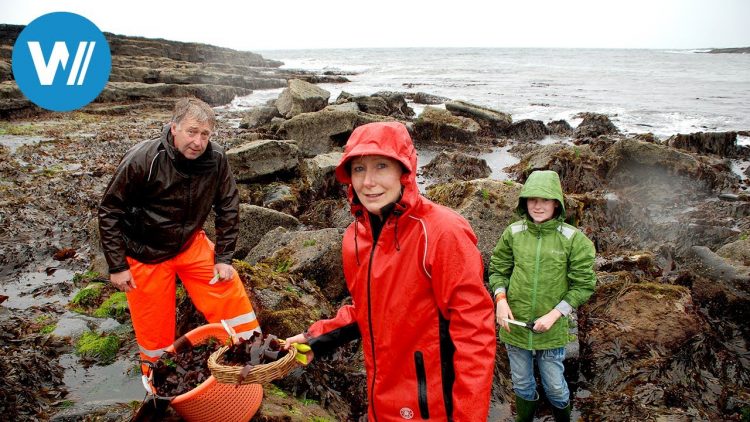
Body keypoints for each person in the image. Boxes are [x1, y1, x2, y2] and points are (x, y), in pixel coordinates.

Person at [284, 121, 496, 421]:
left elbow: (475, 333)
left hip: (432, 409)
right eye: (358, 169)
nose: (368, 182)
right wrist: (314, 338)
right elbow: (366, 310)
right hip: (380, 401)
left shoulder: (442, 231)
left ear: (404, 171)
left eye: (381, 166)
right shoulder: (354, 239)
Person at [98, 97, 260, 374]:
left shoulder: (216, 159)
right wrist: (117, 266)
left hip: (189, 243)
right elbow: (109, 211)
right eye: (191, 132)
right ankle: (159, 383)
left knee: (228, 290)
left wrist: (223, 258)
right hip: (144, 252)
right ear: (174, 128)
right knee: (154, 333)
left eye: (205, 134)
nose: (198, 142)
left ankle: (254, 355)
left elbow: (228, 207)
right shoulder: (144, 158)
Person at [489, 170, 596, 422]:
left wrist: (555, 314)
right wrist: (500, 300)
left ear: (556, 203)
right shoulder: (513, 232)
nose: (538, 206)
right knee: (522, 383)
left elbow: (584, 285)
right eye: (532, 199)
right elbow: (497, 270)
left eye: (545, 200)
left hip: (552, 330)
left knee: (555, 386)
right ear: (523, 202)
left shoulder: (573, 239)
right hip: (514, 327)